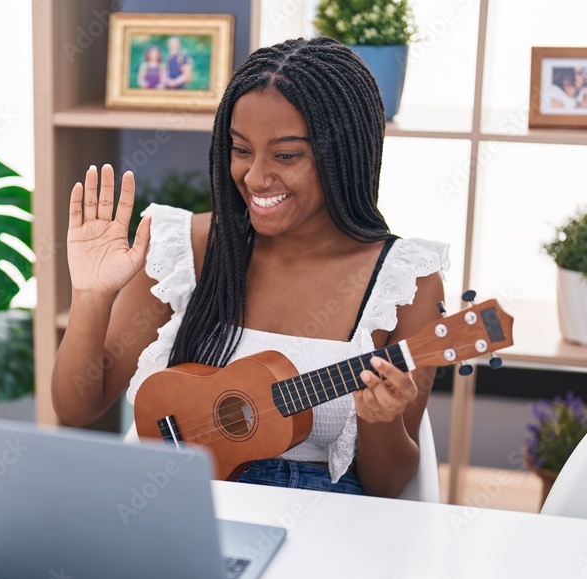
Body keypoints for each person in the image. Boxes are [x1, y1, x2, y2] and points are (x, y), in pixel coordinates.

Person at [51, 37, 448, 499]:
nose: (256, 177)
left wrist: (379, 421)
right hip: (183, 503)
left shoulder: (404, 282)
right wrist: (91, 295)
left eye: (286, 155)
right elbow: (76, 407)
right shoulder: (186, 249)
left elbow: (388, 485)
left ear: (345, 154)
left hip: (324, 524)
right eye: (240, 149)